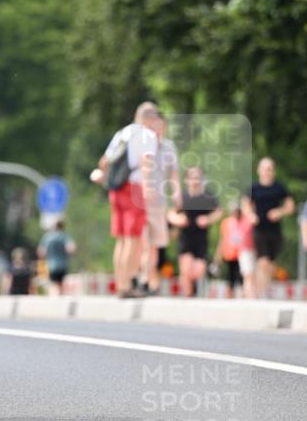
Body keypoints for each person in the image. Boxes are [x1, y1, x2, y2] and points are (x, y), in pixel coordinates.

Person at [93, 102, 159, 298]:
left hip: (116, 189)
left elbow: (104, 161)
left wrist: (103, 177)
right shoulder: (148, 136)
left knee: (121, 240)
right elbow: (146, 164)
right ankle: (127, 285)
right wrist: (149, 190)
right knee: (134, 239)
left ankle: (120, 284)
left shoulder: (122, 133)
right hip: (134, 189)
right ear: (150, 118)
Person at [139, 111, 180, 295]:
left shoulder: (169, 147)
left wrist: (177, 193)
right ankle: (144, 278)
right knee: (144, 244)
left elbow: (173, 173)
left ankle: (151, 282)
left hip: (159, 204)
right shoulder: (142, 145)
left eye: (160, 126)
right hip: (141, 203)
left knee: (156, 245)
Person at [243, 157, 295, 298]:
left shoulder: (279, 187)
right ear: (259, 170)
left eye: (269, 169)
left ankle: (261, 289)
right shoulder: (254, 188)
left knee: (271, 264)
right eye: (264, 169)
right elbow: (245, 205)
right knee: (263, 262)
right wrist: (251, 215)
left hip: (275, 230)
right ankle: (258, 295)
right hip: (259, 228)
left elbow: (290, 206)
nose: (267, 172)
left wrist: (280, 212)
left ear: (273, 171)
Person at [168, 166, 222, 297]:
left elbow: (219, 211)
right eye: (192, 177)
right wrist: (178, 219)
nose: (195, 180)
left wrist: (207, 219)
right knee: (186, 270)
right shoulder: (182, 198)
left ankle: (195, 292)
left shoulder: (207, 197)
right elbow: (170, 214)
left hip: (201, 240)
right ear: (187, 180)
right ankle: (188, 298)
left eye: (197, 177)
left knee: (198, 271)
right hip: (185, 239)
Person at [212, 199, 255, 299]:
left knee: (242, 277)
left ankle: (243, 297)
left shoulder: (245, 221)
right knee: (230, 278)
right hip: (229, 254)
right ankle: (229, 298)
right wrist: (217, 256)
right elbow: (222, 240)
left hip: (241, 253)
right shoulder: (226, 222)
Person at [37, 221, 76, 295]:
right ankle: (59, 298)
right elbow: (71, 248)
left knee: (53, 284)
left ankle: (55, 299)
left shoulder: (47, 237)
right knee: (60, 284)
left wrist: (44, 258)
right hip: (62, 264)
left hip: (51, 264)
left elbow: (41, 251)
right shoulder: (65, 236)